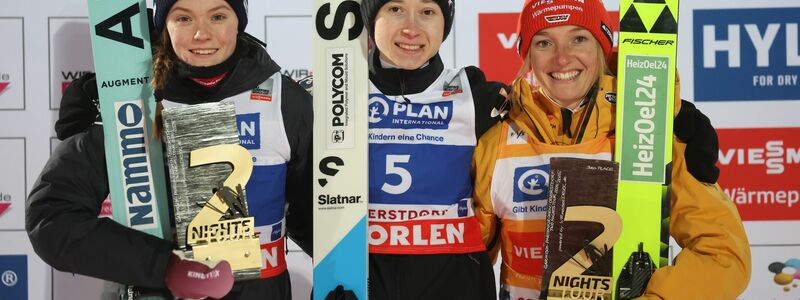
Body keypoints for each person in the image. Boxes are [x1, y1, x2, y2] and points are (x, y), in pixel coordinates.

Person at [26, 0, 313, 299]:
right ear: (164, 25)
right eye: (184, 18)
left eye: (217, 16)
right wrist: (165, 266)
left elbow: (315, 218)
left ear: (239, 21)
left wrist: (361, 279)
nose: (201, 33)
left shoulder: (284, 100)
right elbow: (51, 218)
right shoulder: (130, 101)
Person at [472, 0, 752, 299]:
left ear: (602, 46)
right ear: (527, 54)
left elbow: (722, 254)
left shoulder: (647, 132)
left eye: (578, 39)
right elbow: (465, 264)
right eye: (544, 43)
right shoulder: (495, 142)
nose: (562, 58)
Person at [358, 0, 505, 299]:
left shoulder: (479, 96)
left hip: (455, 284)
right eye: (396, 9)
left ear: (444, 23)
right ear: (371, 18)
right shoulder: (334, 97)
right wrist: (333, 265)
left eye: (427, 12)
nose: (411, 29)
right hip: (359, 284)